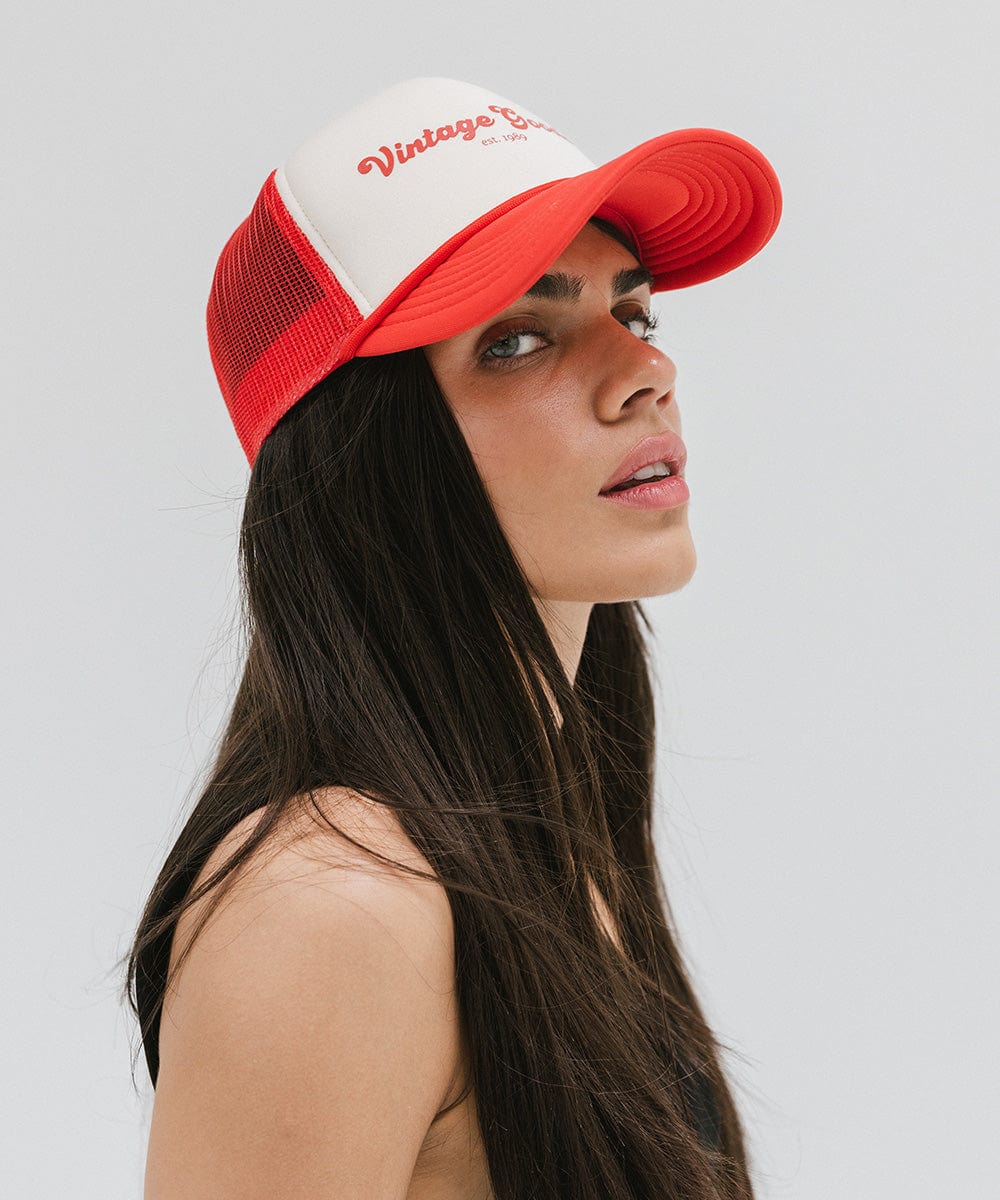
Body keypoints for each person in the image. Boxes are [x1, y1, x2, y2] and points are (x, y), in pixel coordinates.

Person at [126, 76, 781, 1200]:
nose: (644, 373)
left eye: (634, 312)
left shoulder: (534, 837)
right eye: (520, 340)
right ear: (362, 454)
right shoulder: (335, 906)